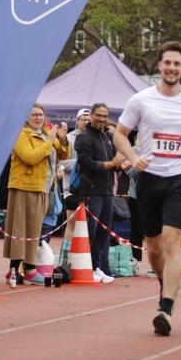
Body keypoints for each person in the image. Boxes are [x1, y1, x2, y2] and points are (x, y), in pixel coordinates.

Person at [113, 41, 181, 336]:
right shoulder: (141, 100)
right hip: (149, 179)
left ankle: (166, 308)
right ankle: (165, 287)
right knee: (155, 249)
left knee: (172, 241)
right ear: (159, 66)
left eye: (177, 64)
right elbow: (120, 134)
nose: (171, 68)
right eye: (167, 62)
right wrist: (133, 158)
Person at [3, 104, 70, 287]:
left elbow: (63, 155)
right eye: (33, 114)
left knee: (33, 229)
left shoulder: (44, 134)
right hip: (25, 186)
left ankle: (16, 270)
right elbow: (29, 157)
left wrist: (62, 140)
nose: (38, 118)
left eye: (40, 114)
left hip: (43, 187)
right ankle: (27, 270)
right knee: (22, 228)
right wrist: (49, 141)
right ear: (26, 117)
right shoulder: (21, 134)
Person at [75, 103, 126, 280]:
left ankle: (97, 267)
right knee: (91, 231)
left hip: (107, 192)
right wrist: (111, 164)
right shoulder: (84, 138)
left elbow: (113, 163)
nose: (102, 119)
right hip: (91, 191)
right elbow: (86, 164)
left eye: (105, 116)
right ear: (92, 116)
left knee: (104, 233)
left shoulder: (107, 138)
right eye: (99, 115)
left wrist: (119, 165)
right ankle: (85, 267)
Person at [56, 108, 91, 267]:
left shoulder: (94, 138)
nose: (86, 121)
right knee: (72, 223)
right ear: (76, 121)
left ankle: (83, 260)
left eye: (88, 119)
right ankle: (64, 258)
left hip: (91, 188)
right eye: (83, 118)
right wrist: (81, 163)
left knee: (87, 225)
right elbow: (61, 163)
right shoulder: (69, 139)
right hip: (71, 187)